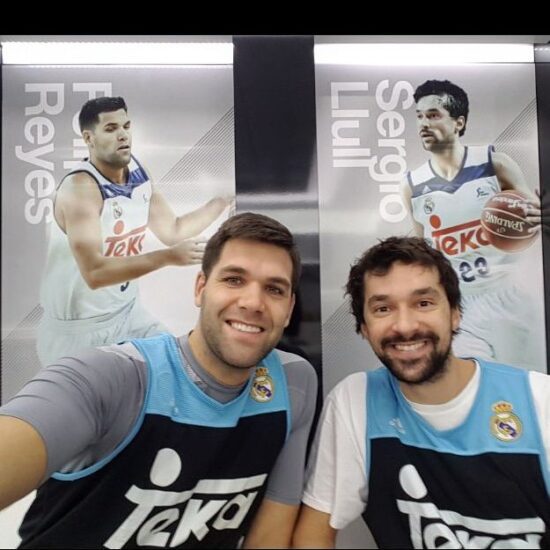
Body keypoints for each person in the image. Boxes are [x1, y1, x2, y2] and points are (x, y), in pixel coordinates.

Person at [0, 212, 318, 549]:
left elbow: (269, 537)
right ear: (201, 288)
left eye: (274, 289)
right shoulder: (110, 376)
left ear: (288, 309)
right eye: (234, 279)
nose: (253, 303)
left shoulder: (294, 382)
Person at [293, 236, 550, 549]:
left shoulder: (540, 400)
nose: (405, 326)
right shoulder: (355, 400)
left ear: (455, 313)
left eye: (424, 303)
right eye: (383, 308)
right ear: (364, 328)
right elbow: (312, 535)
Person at [37, 96, 232, 365]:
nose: (122, 135)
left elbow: (173, 230)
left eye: (126, 126)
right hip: (80, 331)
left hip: (129, 314)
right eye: (111, 129)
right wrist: (168, 257)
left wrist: (220, 202)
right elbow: (95, 273)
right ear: (89, 138)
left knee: (180, 367)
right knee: (103, 392)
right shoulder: (80, 189)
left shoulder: (138, 173)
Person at [400, 79, 542, 369]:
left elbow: (534, 219)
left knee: (526, 383)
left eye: (433, 115)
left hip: (509, 294)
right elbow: (426, 253)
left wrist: (536, 217)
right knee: (473, 383)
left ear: (459, 122)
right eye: (419, 116)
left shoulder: (494, 164)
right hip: (460, 305)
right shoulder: (412, 185)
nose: (423, 124)